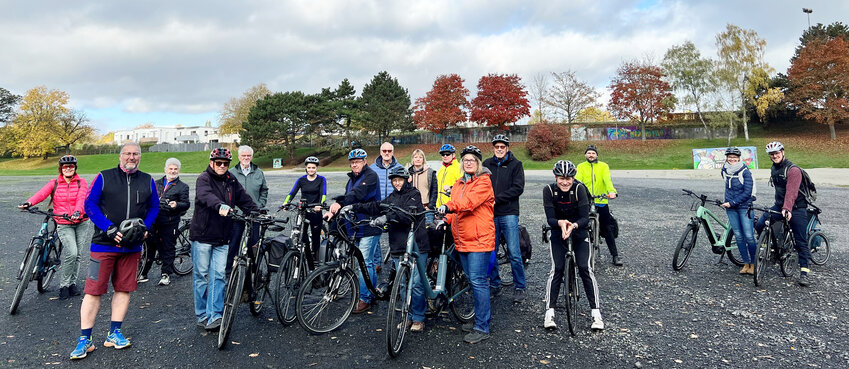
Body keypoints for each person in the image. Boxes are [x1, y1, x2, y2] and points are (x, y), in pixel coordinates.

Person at [71, 143, 159, 360]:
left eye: (135, 154)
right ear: (120, 156)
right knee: (93, 291)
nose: (132, 157)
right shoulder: (104, 176)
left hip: (132, 246)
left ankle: (114, 333)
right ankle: (85, 339)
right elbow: (90, 204)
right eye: (128, 153)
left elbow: (154, 206)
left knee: (123, 289)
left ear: (140, 156)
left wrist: (145, 228)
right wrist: (109, 228)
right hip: (103, 244)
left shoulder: (147, 180)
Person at [350, 166, 430, 332]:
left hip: (416, 245)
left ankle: (419, 317)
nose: (397, 183)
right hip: (398, 246)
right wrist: (354, 207)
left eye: (400, 180)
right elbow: (377, 206)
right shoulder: (391, 197)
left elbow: (407, 214)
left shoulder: (414, 194)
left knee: (415, 284)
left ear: (406, 179)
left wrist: (387, 217)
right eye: (394, 180)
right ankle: (407, 316)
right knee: (402, 283)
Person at [190, 148, 260, 331]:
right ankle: (202, 314)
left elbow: (244, 199)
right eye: (218, 162)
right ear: (212, 162)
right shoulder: (203, 178)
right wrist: (220, 205)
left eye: (225, 163)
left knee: (219, 276)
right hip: (203, 236)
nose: (222, 166)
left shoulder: (231, 180)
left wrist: (258, 212)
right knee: (202, 276)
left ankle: (216, 315)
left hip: (222, 237)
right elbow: (206, 196)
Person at [437, 145, 495, 344]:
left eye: (472, 159)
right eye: (466, 160)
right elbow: (455, 211)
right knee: (471, 280)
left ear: (478, 163)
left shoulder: (484, 182)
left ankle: (482, 326)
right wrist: (445, 219)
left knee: (478, 282)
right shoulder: (459, 183)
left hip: (479, 240)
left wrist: (448, 206)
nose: (468, 162)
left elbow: (468, 203)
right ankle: (478, 318)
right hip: (462, 240)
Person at [19, 155, 93, 300]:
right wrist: (29, 203)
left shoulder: (81, 182)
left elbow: (81, 198)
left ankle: (71, 284)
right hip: (64, 223)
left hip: (82, 222)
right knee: (72, 252)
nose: (68, 169)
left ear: (75, 168)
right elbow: (41, 194)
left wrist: (78, 211)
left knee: (77, 255)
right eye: (65, 167)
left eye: (71, 166)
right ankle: (64, 285)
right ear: (61, 169)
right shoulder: (54, 183)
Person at [542, 160, 604, 331]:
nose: (565, 182)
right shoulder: (548, 190)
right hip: (558, 230)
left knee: (585, 268)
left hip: (579, 230)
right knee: (557, 269)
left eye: (569, 178)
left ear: (573, 177)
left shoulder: (579, 189)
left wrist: (573, 225)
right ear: (555, 177)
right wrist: (561, 223)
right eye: (561, 178)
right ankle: (549, 312)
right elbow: (550, 219)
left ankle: (596, 313)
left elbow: (585, 218)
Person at [324, 149, 382, 314]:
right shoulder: (352, 179)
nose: (355, 164)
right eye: (352, 162)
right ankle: (372, 292)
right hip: (356, 226)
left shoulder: (370, 176)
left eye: (358, 161)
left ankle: (365, 298)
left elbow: (357, 195)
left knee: (365, 261)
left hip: (370, 224)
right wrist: (333, 210)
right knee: (364, 262)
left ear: (365, 162)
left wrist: (340, 204)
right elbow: (347, 196)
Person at [755, 141, 813, 287]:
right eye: (772, 154)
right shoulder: (774, 168)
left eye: (777, 153)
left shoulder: (793, 170)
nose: (775, 156)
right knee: (761, 224)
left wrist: (787, 208)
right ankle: (772, 247)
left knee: (801, 241)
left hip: (797, 207)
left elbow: (792, 192)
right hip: (780, 205)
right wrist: (781, 206)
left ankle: (804, 272)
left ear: (783, 152)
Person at [482, 134, 526, 303]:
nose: (499, 149)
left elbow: (518, 188)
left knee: (514, 253)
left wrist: (495, 199)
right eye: (496, 147)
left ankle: (520, 286)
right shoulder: (487, 164)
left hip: (508, 212)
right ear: (493, 148)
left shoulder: (516, 165)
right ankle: (495, 285)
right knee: (491, 252)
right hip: (490, 214)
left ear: (507, 148)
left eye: (502, 147)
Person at [140, 158, 191, 286]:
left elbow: (186, 204)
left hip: (169, 220)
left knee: (168, 247)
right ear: (165, 169)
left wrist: (177, 204)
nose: (173, 171)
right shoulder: (155, 183)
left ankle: (166, 274)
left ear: (178, 170)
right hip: (153, 220)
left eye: (175, 169)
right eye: (170, 168)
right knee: (149, 246)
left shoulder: (183, 187)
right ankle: (143, 272)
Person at [575, 144, 622, 266]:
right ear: (585, 155)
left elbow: (607, 180)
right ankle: (577, 254)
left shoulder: (603, 166)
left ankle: (615, 255)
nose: (591, 155)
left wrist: (612, 192)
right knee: (580, 225)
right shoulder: (581, 166)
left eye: (593, 153)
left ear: (597, 155)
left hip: (601, 200)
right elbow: (578, 181)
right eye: (589, 153)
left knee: (607, 228)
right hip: (585, 201)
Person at [227, 145, 268, 275]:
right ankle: (228, 270)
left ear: (251, 157)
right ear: (239, 157)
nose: (246, 158)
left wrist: (260, 205)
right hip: (237, 214)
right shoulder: (231, 173)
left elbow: (264, 190)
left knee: (253, 243)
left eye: (248, 156)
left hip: (254, 214)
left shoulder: (258, 172)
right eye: (243, 156)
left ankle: (253, 270)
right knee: (234, 242)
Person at [282, 156, 327, 268]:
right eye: (309, 168)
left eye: (313, 168)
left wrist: (320, 204)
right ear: (306, 168)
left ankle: (316, 264)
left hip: (315, 211)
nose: (311, 170)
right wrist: (286, 203)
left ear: (317, 168)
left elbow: (323, 194)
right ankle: (307, 252)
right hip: (303, 211)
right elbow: (292, 193)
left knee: (316, 237)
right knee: (302, 235)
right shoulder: (301, 180)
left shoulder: (321, 179)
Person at [719, 147, 757, 275]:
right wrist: (729, 203)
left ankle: (754, 263)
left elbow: (747, 192)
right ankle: (746, 264)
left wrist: (732, 202)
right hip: (731, 208)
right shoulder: (724, 170)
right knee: (739, 237)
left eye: (735, 157)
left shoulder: (745, 171)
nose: (732, 159)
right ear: (727, 158)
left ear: (739, 158)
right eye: (730, 157)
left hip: (744, 207)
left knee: (749, 236)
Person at [370, 142, 403, 269]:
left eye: (389, 150)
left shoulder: (399, 167)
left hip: (394, 207)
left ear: (393, 152)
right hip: (378, 206)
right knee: (375, 235)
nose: (387, 153)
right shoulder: (372, 168)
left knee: (395, 236)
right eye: (384, 151)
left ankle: (396, 264)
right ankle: (377, 262)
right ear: (380, 152)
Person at [407, 149, 438, 224]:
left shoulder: (430, 172)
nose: (418, 159)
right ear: (412, 159)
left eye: (420, 157)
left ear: (423, 159)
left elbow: (434, 191)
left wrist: (430, 206)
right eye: (416, 157)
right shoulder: (408, 174)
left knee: (427, 230)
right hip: (412, 209)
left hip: (426, 208)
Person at [435, 144, 462, 208]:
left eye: (447, 154)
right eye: (443, 154)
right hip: (440, 207)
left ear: (453, 155)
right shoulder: (441, 169)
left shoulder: (459, 168)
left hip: (452, 206)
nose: (445, 156)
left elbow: (462, 187)